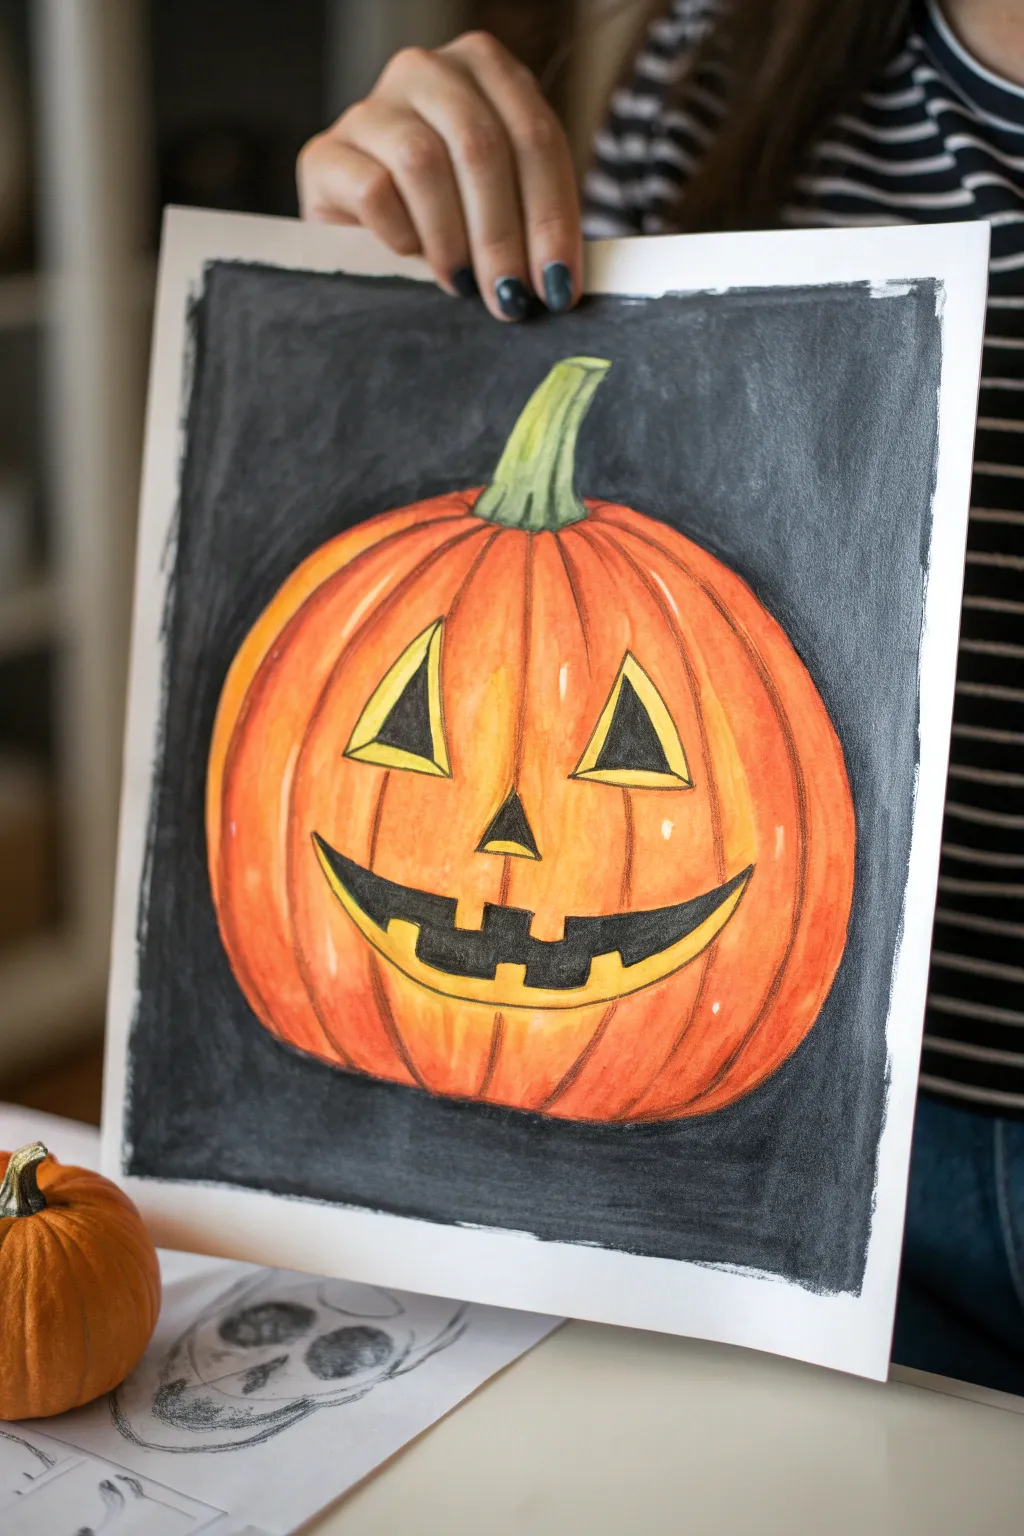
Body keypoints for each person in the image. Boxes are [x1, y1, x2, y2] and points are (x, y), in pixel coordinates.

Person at [298, 0, 1024, 1395]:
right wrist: (373, 268)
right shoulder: (727, 62)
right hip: (801, 1154)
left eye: (624, 749)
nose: (505, 840)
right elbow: (573, 484)